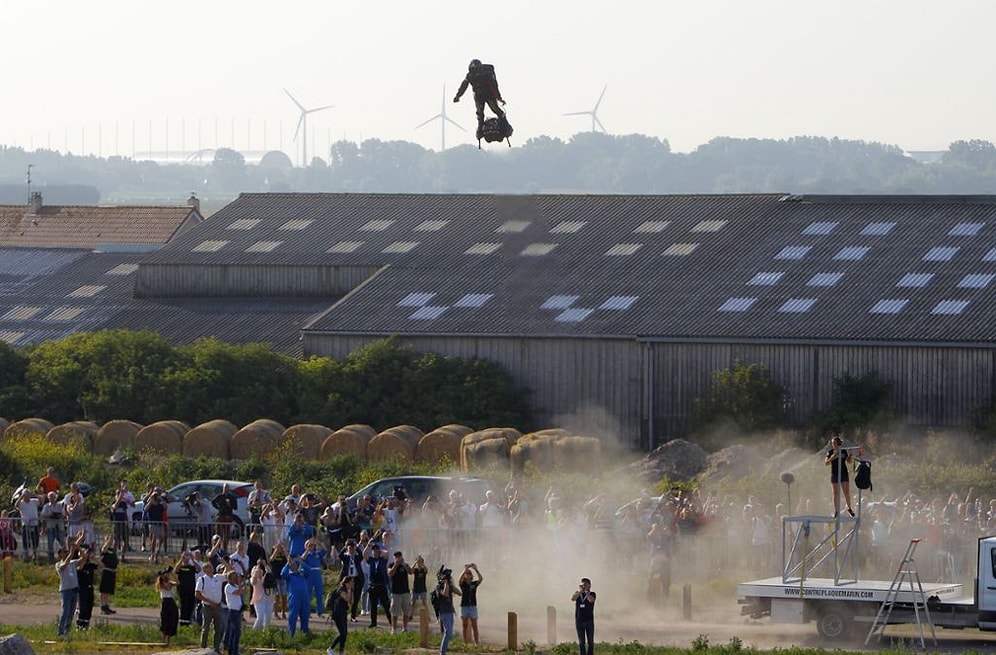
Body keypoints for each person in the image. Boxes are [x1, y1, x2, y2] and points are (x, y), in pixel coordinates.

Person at [453, 58, 506, 140]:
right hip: (480, 96)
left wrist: (498, 98)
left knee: (494, 110)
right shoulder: (470, 75)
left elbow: (493, 85)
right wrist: (458, 96)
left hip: (488, 95)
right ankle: (480, 130)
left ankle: (504, 126)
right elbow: (464, 86)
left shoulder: (485, 74)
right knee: (481, 113)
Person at [195, 561, 227, 652]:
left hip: (217, 606)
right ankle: (203, 648)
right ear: (204, 569)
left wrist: (225, 563)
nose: (210, 568)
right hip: (207, 606)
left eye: (211, 567)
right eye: (208, 567)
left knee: (218, 628)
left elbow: (230, 573)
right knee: (206, 627)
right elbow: (197, 594)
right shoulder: (202, 579)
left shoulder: (218, 577)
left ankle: (216, 648)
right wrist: (209, 601)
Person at [55, 540, 84, 638]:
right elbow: (64, 565)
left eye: (67, 551)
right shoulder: (58, 564)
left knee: (71, 612)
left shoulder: (72, 562)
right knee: (65, 611)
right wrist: (72, 552)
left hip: (74, 589)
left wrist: (78, 548)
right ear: (60, 554)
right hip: (65, 590)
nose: (66, 553)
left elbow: (84, 558)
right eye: (64, 552)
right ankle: (60, 632)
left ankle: (67, 631)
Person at [825, 434, 855, 518]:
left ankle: (849, 508)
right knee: (835, 493)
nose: (833, 445)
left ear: (839, 444)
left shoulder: (843, 451)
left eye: (835, 443)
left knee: (846, 492)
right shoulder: (830, 452)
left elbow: (849, 461)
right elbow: (826, 463)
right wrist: (833, 457)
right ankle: (836, 510)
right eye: (832, 444)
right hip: (835, 473)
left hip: (843, 473)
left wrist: (850, 455)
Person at [364, 541, 392, 629]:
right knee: (373, 606)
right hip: (373, 585)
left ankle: (391, 621)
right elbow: (364, 554)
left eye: (376, 550)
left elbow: (387, 553)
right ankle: (373, 623)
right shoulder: (371, 560)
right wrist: (369, 545)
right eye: (374, 550)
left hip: (381, 585)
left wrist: (380, 550)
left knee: (386, 604)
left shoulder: (383, 559)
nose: (375, 551)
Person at [282, 557, 313, 636]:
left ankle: (304, 635)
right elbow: (283, 573)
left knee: (305, 617)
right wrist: (288, 564)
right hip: (294, 599)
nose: (294, 566)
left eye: (295, 564)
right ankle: (291, 635)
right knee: (292, 618)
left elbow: (309, 570)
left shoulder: (302, 574)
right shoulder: (289, 576)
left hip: (305, 599)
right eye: (292, 565)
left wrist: (301, 562)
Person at [76, 544, 102, 629]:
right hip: (82, 588)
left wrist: (95, 559)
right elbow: (81, 566)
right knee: (83, 607)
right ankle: (80, 625)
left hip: (90, 588)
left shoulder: (90, 565)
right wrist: (84, 554)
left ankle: (86, 625)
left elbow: (102, 566)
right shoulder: (79, 563)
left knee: (89, 607)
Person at [436, 566, 460, 655]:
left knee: (449, 633)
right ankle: (442, 652)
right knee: (448, 633)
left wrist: (450, 584)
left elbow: (459, 593)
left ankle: (443, 651)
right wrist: (445, 583)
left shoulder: (449, 586)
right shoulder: (439, 586)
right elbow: (445, 594)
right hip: (444, 612)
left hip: (450, 612)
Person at [173, 549, 201, 626]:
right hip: (182, 590)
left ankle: (188, 622)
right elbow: (175, 570)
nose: (186, 558)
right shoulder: (181, 567)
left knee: (190, 606)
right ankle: (182, 623)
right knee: (183, 606)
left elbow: (199, 569)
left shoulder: (191, 567)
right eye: (185, 556)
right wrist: (181, 559)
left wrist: (193, 559)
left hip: (191, 590)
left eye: (187, 556)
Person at [327, 575, 354, 655]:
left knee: (345, 634)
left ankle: (341, 651)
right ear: (347, 583)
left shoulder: (348, 590)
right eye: (352, 582)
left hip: (343, 613)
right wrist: (349, 590)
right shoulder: (341, 589)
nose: (353, 583)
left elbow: (351, 602)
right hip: (337, 613)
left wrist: (351, 591)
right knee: (342, 633)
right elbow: (346, 599)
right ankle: (330, 648)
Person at [339, 539, 365, 621]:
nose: (351, 550)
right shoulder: (345, 557)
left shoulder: (357, 557)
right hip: (347, 579)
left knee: (356, 598)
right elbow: (340, 555)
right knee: (345, 597)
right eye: (350, 548)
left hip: (357, 578)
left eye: (352, 548)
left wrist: (356, 546)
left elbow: (361, 554)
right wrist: (345, 546)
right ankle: (344, 614)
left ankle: (353, 615)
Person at [458, 563, 483, 645]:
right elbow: (459, 579)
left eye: (469, 573)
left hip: (472, 606)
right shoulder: (463, 584)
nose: (468, 575)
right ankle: (465, 643)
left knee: (474, 626)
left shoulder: (474, 584)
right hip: (464, 606)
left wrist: (476, 569)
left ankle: (476, 643)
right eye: (466, 573)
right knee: (464, 626)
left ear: (471, 575)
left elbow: (481, 579)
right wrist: (465, 569)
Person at [388, 550, 412, 633]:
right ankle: (393, 629)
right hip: (395, 592)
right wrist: (396, 565)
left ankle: (404, 628)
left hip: (405, 591)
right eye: (396, 557)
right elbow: (390, 574)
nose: (398, 558)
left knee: (406, 611)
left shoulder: (405, 565)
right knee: (395, 612)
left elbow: (411, 572)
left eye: (399, 556)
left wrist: (404, 565)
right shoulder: (391, 565)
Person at [224, 570, 247, 655]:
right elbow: (239, 592)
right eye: (235, 577)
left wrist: (243, 582)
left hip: (238, 611)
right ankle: (233, 651)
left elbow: (244, 591)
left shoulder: (235, 586)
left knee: (236, 632)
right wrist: (240, 583)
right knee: (235, 632)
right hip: (233, 611)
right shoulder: (228, 586)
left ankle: (233, 650)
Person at [572, 577, 596, 655]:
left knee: (590, 641)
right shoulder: (578, 594)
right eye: (583, 584)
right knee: (581, 642)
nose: (584, 586)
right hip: (579, 621)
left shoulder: (592, 594)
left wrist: (586, 592)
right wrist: (580, 592)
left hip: (589, 620)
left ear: (589, 585)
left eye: (586, 584)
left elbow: (591, 600)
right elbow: (573, 598)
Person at [212, 483, 239, 550]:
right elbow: (213, 501)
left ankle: (225, 549)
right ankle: (217, 548)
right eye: (225, 488)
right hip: (220, 516)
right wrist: (218, 507)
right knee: (218, 534)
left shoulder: (232, 497)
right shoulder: (220, 496)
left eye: (227, 488)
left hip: (228, 516)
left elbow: (235, 507)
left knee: (226, 534)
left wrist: (230, 505)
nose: (226, 490)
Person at [156, 570, 179, 645]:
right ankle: (163, 641)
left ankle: (168, 641)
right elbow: (168, 588)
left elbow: (178, 583)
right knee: (165, 620)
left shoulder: (170, 582)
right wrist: (164, 577)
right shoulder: (161, 583)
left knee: (172, 620)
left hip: (171, 601)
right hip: (165, 601)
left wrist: (172, 574)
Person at [250, 558, 274, 629]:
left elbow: (270, 573)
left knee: (268, 618)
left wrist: (265, 565)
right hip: (258, 600)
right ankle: (254, 633)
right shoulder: (254, 578)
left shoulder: (266, 577)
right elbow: (253, 582)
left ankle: (265, 634)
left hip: (269, 599)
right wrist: (257, 569)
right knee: (260, 617)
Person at [98, 534, 119, 615]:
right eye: (108, 538)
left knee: (108, 590)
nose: (110, 540)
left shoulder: (112, 550)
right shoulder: (104, 548)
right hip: (106, 571)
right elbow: (104, 549)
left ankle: (106, 605)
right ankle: (102, 606)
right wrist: (108, 541)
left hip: (112, 571)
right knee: (103, 590)